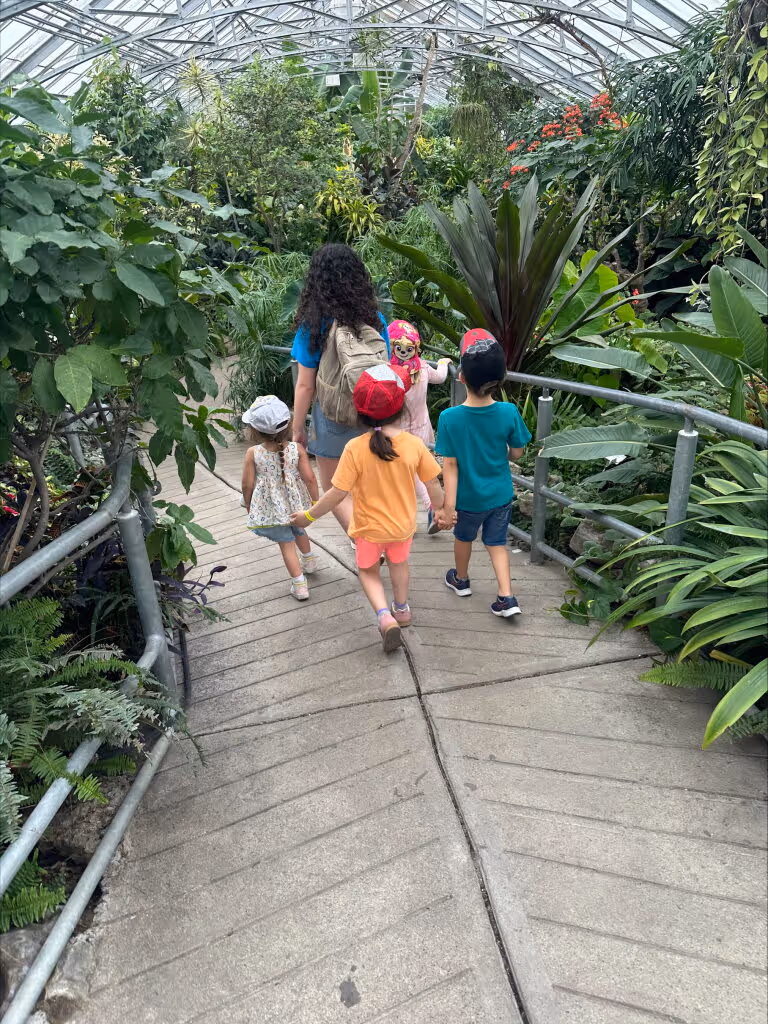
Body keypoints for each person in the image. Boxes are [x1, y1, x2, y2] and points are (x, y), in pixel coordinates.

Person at [291, 364, 446, 652]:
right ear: (401, 408)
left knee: (369, 572)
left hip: (367, 530)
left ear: (359, 413)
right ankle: (402, 609)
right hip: (402, 527)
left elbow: (336, 494)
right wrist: (440, 509)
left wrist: (308, 516)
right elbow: (433, 483)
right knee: (399, 566)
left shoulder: (354, 449)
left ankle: (384, 617)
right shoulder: (413, 444)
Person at [291, 243, 390, 535]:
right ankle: (374, 538)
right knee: (366, 483)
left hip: (332, 415)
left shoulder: (313, 325)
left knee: (334, 489)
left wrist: (298, 431)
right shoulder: (375, 319)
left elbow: (306, 385)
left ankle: (364, 543)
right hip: (371, 414)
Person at [434, 331, 531, 618]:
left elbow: (449, 465)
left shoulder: (450, 418)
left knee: (463, 538)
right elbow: (517, 453)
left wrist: (448, 505)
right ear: (499, 379)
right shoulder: (509, 412)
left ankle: (461, 580)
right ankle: (506, 596)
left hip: (467, 499)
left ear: (461, 377)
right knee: (496, 543)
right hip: (500, 495)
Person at [241, 395, 320, 601]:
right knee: (299, 529)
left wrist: (249, 504)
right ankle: (309, 562)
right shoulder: (296, 449)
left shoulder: (253, 453)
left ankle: (300, 585)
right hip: (296, 504)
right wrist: (315, 503)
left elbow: (247, 484)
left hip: (273, 508)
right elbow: (310, 478)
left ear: (255, 430)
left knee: (286, 544)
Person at [388, 319, 452, 530]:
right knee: (424, 472)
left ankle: (419, 514)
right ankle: (434, 508)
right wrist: (443, 364)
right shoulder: (423, 367)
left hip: (398, 433)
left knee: (406, 477)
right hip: (422, 430)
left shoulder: (388, 372)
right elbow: (441, 378)